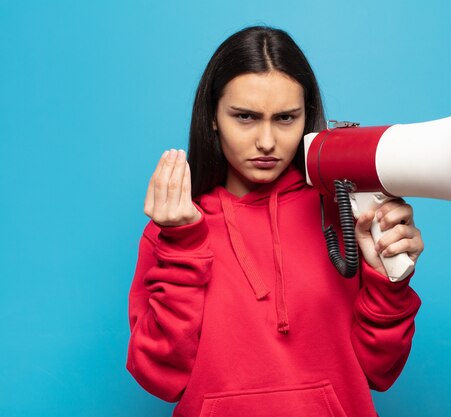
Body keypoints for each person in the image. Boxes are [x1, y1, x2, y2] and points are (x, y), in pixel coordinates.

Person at [127, 26, 424, 417]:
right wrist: (182, 246)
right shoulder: (174, 232)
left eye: (285, 118)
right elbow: (159, 376)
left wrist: (387, 278)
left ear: (306, 117)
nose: (266, 141)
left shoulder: (346, 217)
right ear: (213, 117)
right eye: (245, 117)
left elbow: (379, 369)